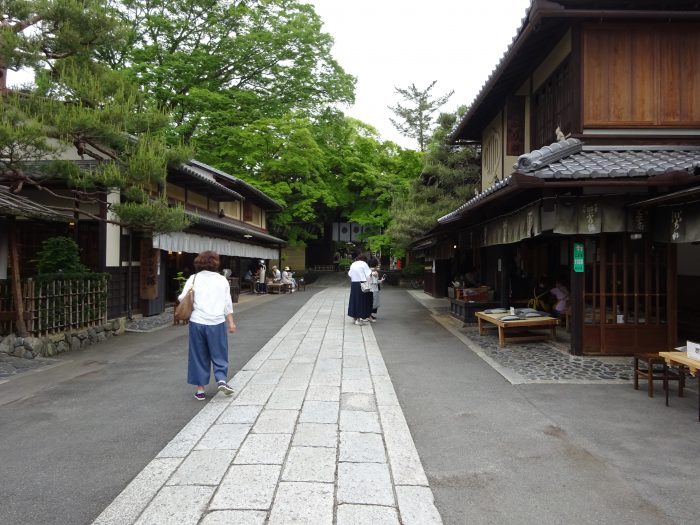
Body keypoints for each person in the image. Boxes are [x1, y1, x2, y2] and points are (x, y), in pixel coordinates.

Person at [178, 250, 236, 401]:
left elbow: (181, 297)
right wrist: (231, 323)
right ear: (216, 263)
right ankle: (221, 379)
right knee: (219, 353)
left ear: (199, 262)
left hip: (197, 322)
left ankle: (200, 390)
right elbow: (227, 304)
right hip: (216, 322)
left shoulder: (194, 278)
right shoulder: (222, 280)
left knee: (198, 355)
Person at [347, 254, 372, 325]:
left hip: (354, 283)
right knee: (361, 301)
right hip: (362, 283)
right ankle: (358, 319)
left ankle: (354, 318)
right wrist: (369, 282)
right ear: (365, 259)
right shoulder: (364, 264)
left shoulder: (353, 264)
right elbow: (368, 274)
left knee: (354, 300)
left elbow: (350, 274)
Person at [368, 258, 386, 322]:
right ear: (375, 264)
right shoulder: (374, 272)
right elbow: (374, 282)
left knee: (371, 303)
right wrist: (378, 279)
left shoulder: (368, 270)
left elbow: (374, 281)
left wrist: (381, 280)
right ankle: (369, 316)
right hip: (373, 290)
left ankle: (369, 316)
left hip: (369, 289)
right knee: (373, 303)